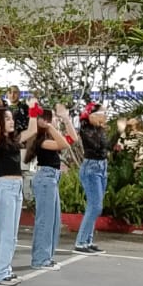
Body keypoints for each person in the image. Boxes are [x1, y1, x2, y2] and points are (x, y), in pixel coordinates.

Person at [0, 103, 29, 286]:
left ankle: (5, 269)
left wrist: (33, 109)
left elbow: (32, 128)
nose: (11, 122)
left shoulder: (14, 140)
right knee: (4, 232)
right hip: (4, 187)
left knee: (11, 234)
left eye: (12, 118)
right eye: (7, 118)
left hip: (16, 188)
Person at [27, 103, 73, 269]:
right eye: (53, 116)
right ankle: (40, 259)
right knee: (45, 221)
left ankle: (46, 257)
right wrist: (49, 126)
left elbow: (72, 139)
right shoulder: (42, 140)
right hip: (45, 179)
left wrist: (66, 119)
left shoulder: (52, 137)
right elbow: (64, 145)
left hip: (53, 178)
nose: (56, 120)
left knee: (53, 221)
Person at [74, 101, 110, 254]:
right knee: (95, 206)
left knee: (95, 206)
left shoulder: (99, 130)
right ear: (92, 116)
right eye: (102, 113)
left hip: (102, 167)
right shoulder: (86, 129)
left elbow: (107, 147)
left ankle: (87, 240)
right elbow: (97, 147)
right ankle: (81, 242)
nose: (105, 116)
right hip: (91, 168)